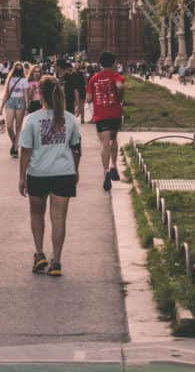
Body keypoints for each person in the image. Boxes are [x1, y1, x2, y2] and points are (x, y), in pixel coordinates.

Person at [18, 75, 81, 277]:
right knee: (59, 218)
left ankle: (39, 255)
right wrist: (75, 170)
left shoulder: (32, 119)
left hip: (38, 173)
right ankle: (56, 262)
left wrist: (21, 177)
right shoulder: (70, 118)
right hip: (64, 173)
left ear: (40, 95)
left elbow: (25, 151)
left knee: (37, 214)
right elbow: (76, 149)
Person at [86, 51, 125, 191]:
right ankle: (114, 165)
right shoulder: (116, 75)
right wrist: (119, 98)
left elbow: (89, 99)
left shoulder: (94, 78)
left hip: (101, 115)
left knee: (104, 144)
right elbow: (120, 86)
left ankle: (106, 171)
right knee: (113, 139)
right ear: (113, 63)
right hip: (114, 113)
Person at [0, 62, 29, 157]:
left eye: (20, 69)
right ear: (14, 69)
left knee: (18, 127)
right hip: (11, 101)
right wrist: (1, 107)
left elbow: (25, 94)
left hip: (20, 102)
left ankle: (15, 149)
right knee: (9, 127)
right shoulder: (10, 79)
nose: (18, 70)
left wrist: (27, 106)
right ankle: (15, 142)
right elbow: (6, 94)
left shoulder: (24, 80)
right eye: (17, 68)